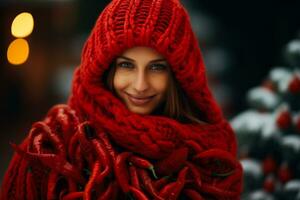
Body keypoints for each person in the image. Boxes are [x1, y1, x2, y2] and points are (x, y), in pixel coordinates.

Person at [0, 0, 243, 199]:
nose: (140, 85)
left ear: (179, 77)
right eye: (126, 66)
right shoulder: (54, 147)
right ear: (104, 69)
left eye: (156, 68)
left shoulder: (210, 160)